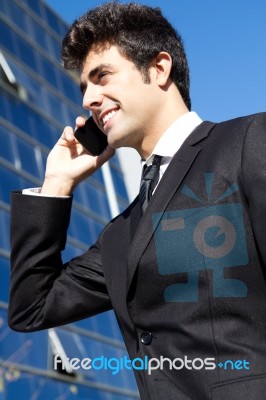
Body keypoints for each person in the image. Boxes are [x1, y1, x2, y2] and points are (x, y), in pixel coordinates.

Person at [8, 2, 266, 399]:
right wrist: (56, 184)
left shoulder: (250, 142)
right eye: (84, 87)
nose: (88, 100)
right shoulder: (121, 233)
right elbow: (32, 308)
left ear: (160, 69)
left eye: (102, 76)